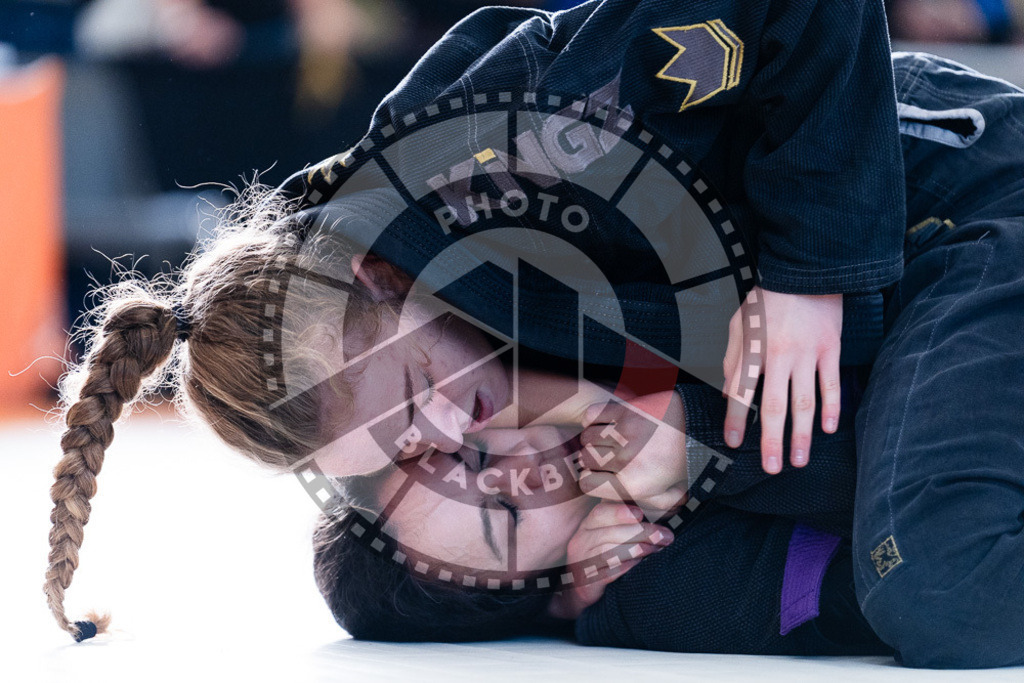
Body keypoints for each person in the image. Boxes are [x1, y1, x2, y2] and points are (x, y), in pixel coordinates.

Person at [312, 417, 890, 656]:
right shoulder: (658, 591)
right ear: (539, 590)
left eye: (477, 451)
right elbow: (889, 502)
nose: (525, 460)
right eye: (508, 511)